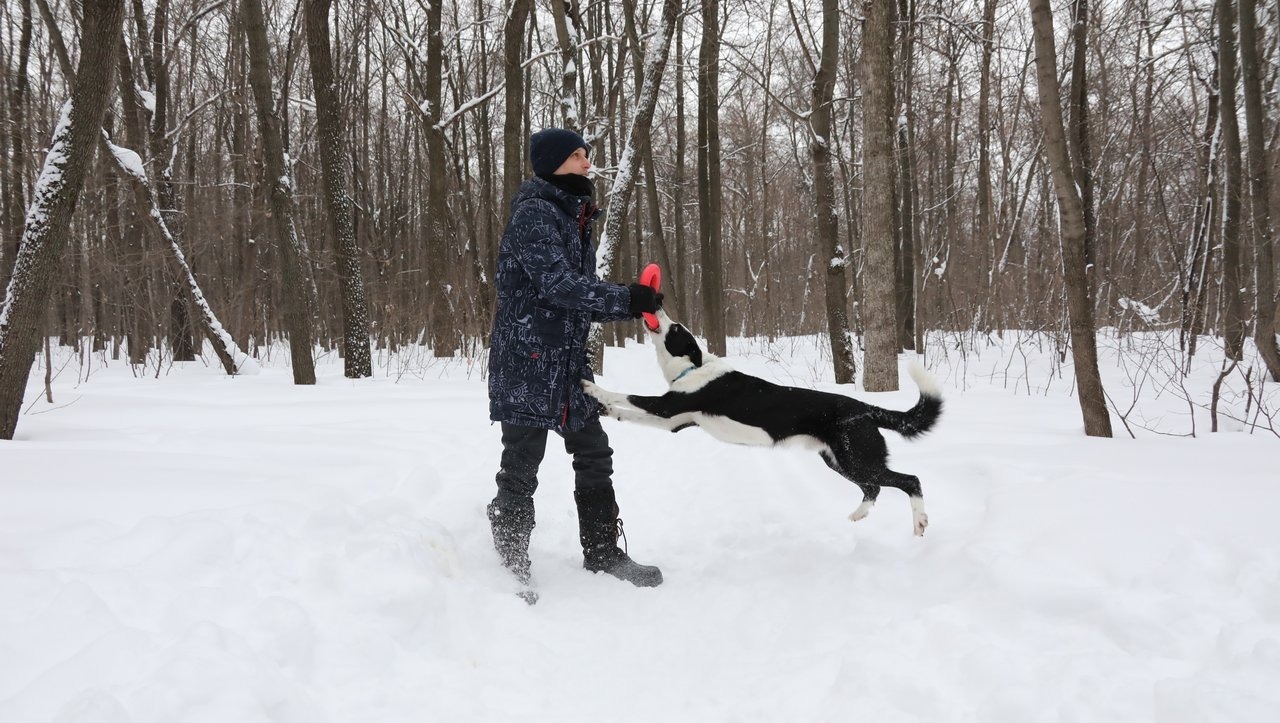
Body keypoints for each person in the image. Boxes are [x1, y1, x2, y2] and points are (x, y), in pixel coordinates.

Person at [486, 127, 664, 593]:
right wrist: (628, 299)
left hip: (566, 363)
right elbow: (560, 287)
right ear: (553, 164)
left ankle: (603, 552)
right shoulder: (534, 216)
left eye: (587, 154)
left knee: (593, 452)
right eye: (578, 156)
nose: (588, 163)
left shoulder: (574, 215)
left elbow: (574, 292)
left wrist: (628, 299)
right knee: (522, 461)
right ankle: (509, 559)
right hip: (528, 360)